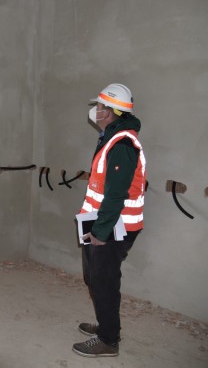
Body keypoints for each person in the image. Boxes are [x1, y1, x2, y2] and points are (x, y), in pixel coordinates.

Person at [73, 83, 146, 358]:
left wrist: (101, 233)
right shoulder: (111, 137)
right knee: (94, 276)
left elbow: (116, 194)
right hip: (102, 221)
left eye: (100, 106)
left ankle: (108, 340)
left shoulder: (123, 144)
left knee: (104, 280)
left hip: (116, 226)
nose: (96, 110)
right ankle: (106, 324)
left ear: (111, 111)